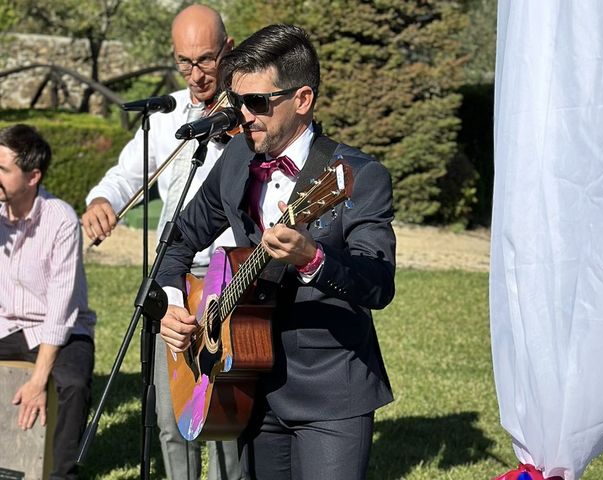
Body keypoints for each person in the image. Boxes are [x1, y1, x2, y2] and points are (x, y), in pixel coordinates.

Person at [157, 24, 396, 479]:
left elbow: (379, 282)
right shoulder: (234, 162)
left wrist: (313, 259)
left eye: (257, 102)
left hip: (330, 390)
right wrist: (171, 302)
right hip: (246, 380)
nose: (243, 115)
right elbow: (179, 238)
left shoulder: (359, 175)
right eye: (236, 101)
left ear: (302, 100)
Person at [81, 5, 242, 480]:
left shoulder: (249, 117)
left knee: (221, 417)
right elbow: (124, 175)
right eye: (184, 63)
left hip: (226, 275)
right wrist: (101, 201)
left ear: (229, 50)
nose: (196, 76)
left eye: (207, 61)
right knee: (170, 419)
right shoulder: (170, 113)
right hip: (170, 278)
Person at [0, 124, 95, 480]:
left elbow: (60, 309)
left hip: (60, 328)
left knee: (71, 383)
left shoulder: (61, 221)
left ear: (32, 176)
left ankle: (60, 474)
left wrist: (39, 380)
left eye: (3, 169)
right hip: (8, 323)